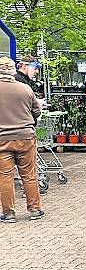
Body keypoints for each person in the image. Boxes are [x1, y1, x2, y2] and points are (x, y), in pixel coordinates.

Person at [0, 57, 44, 223]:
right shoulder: (25, 89)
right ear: (13, 71)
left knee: (5, 176)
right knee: (29, 174)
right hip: (25, 137)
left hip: (2, 139)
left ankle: (8, 213)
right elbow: (36, 111)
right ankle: (35, 210)